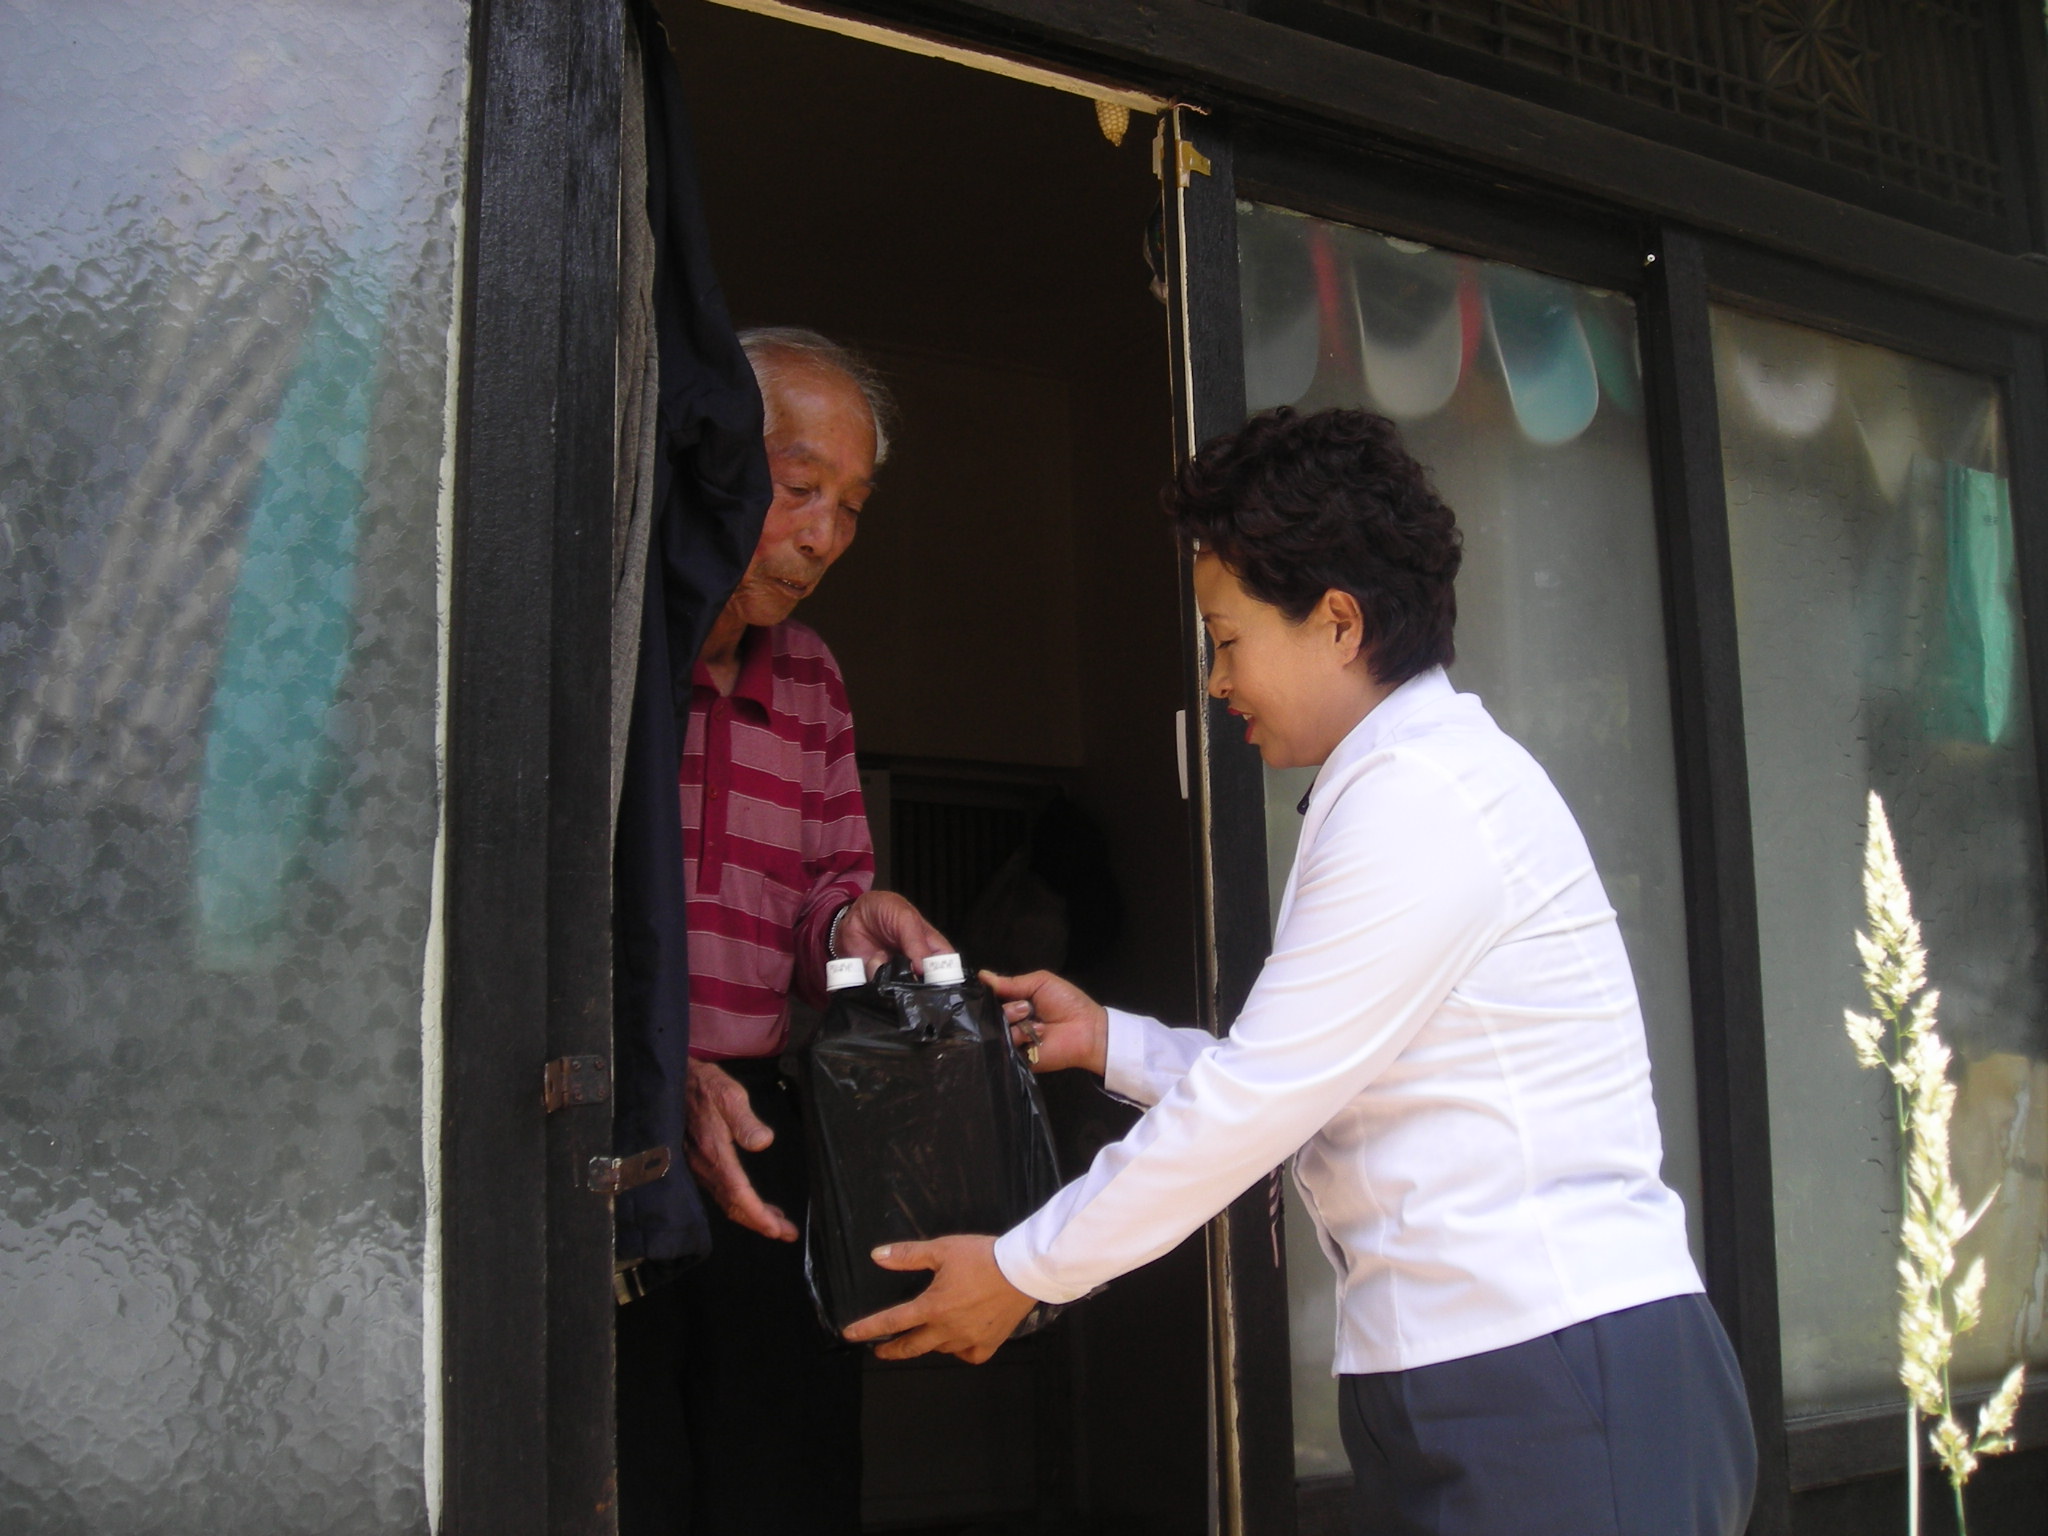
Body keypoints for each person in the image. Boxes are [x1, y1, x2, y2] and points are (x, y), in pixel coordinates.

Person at [844, 407, 1758, 1536]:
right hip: (1498, 1378)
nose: (1215, 680)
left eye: (1226, 640)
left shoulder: (1420, 798)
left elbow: (1260, 1099)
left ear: (1337, 623)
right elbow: (1309, 1080)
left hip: (1551, 1378)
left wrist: (1025, 1269)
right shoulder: (1401, 782)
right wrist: (1112, 1043)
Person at [617, 327, 949, 1536]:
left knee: (780, 1462)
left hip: (760, 1120)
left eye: (849, 507)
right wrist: (652, 1066)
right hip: (610, 1105)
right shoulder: (608, 653)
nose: (822, 536)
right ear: (704, 464)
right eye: (797, 487)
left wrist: (858, 917)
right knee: (623, 1463)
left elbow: (821, 900)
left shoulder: (806, 676)